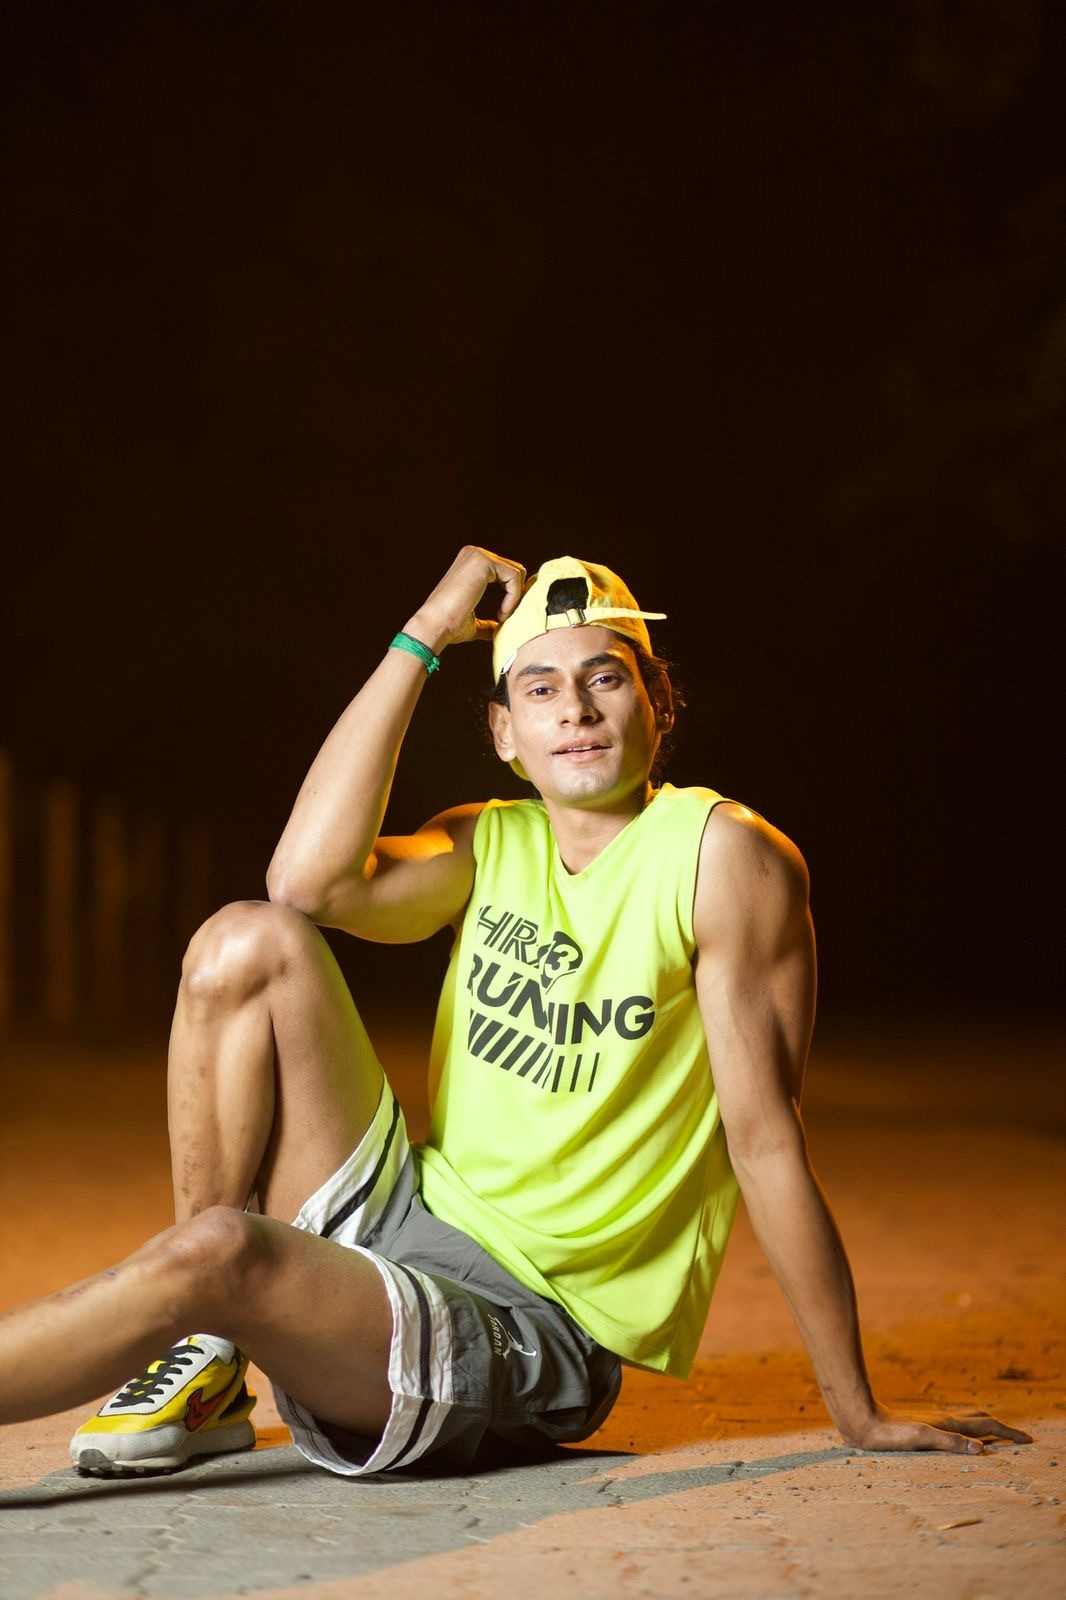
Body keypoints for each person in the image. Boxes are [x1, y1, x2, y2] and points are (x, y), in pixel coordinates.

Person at [0, 546, 1028, 1476]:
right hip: (406, 1220)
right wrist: (425, 633)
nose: (573, 709)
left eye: (605, 678)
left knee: (220, 1252)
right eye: (540, 688)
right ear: (505, 733)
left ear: (659, 703)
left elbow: (763, 1141)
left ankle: (208, 1310)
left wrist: (857, 1411)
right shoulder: (490, 841)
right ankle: (207, 1359)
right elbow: (305, 884)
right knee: (246, 938)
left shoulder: (721, 858)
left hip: (531, 1324)